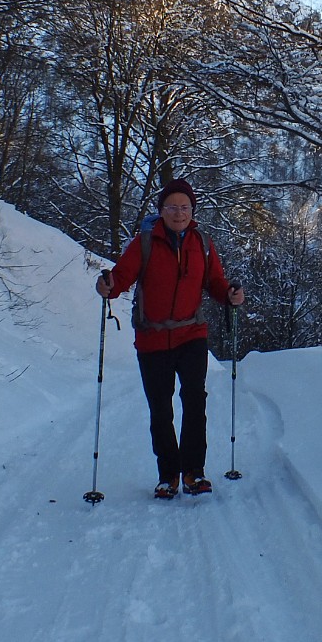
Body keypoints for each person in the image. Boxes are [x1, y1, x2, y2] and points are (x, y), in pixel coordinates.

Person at [96, 178, 245, 499]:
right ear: (161, 210)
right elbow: (120, 278)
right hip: (152, 339)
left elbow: (215, 283)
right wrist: (107, 285)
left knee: (195, 401)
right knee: (160, 409)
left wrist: (230, 294)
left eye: (185, 207)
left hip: (192, 334)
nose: (179, 213)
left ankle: (193, 472)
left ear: (193, 211)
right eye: (172, 207)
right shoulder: (145, 243)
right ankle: (168, 475)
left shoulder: (202, 243)